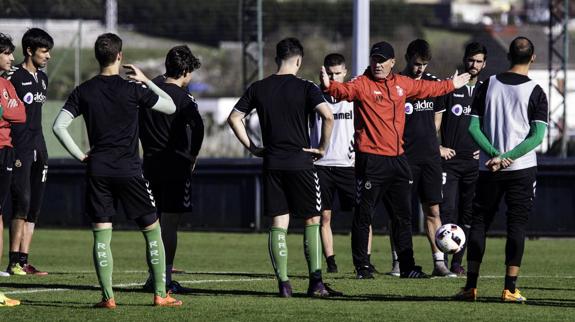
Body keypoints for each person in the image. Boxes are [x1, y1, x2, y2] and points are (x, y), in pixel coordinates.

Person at [320, 41, 470, 279]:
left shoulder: (402, 84)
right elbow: (344, 92)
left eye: (382, 60)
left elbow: (429, 89)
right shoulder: (362, 84)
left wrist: (452, 84)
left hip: (398, 160)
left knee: (403, 216)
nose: (377, 64)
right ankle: (362, 267)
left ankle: (408, 266)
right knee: (364, 214)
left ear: (392, 63)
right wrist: (329, 87)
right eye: (374, 59)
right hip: (371, 160)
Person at [53, 33, 182, 308]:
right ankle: (161, 294)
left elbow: (58, 126)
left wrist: (80, 156)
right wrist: (146, 80)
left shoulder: (83, 91)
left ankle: (108, 298)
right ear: (120, 56)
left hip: (98, 169)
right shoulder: (133, 88)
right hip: (129, 169)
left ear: (97, 57)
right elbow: (171, 107)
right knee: (152, 232)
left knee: (102, 233)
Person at [228, 38, 338, 297]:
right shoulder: (307, 87)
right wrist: (322, 148)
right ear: (298, 60)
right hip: (301, 162)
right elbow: (328, 116)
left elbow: (234, 118)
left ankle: (284, 284)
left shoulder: (259, 87)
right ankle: (316, 283)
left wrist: (253, 147)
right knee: (312, 219)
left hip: (273, 163)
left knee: (279, 223)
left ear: (276, 59)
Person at [454, 37, 548, 302]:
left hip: (488, 169)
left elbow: (473, 128)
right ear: (533, 58)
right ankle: (509, 288)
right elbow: (536, 137)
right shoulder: (537, 92)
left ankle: (470, 286)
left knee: (480, 224)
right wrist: (507, 157)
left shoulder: (487, 85)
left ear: (507, 55)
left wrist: (495, 155)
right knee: (516, 225)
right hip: (521, 169)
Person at [386, 39, 454, 277]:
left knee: (433, 210)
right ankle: (399, 261)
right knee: (401, 212)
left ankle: (439, 262)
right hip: (402, 157)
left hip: (429, 159)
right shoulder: (395, 85)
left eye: (424, 65)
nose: (420, 69)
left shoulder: (433, 84)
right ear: (407, 59)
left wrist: (434, 145)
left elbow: (437, 120)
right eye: (416, 64)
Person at [139, 45, 204, 293]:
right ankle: (164, 279)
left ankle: (152, 277)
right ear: (185, 70)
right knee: (169, 224)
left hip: (150, 164)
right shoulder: (183, 98)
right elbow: (198, 128)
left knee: (152, 223)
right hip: (176, 165)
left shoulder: (148, 94)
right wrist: (193, 155)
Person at [436, 42, 487, 275]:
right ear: (464, 60)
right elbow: (434, 121)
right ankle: (441, 263)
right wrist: (439, 146)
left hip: (474, 163)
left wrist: (485, 148)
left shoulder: (487, 90)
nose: (473, 65)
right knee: (447, 211)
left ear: (484, 64)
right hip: (450, 162)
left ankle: (457, 262)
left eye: (478, 61)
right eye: (470, 60)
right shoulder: (450, 86)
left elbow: (492, 124)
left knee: (468, 212)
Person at [5, 28, 52, 276]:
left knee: (34, 206)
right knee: (20, 203)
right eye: (44, 51)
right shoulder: (14, 77)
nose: (48, 56)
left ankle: (24, 260)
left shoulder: (43, 79)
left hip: (39, 146)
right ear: (30, 50)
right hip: (19, 148)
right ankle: (13, 261)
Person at [310, 53, 354, 273]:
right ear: (323, 72)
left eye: (338, 73)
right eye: (330, 73)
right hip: (321, 164)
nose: (334, 77)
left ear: (345, 72)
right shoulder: (314, 94)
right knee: (324, 215)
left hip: (349, 164)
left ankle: (363, 261)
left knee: (361, 214)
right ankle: (331, 262)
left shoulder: (353, 95)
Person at [0, 33, 26, 279]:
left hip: (6, 151)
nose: (12, 58)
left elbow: (20, 114)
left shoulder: (7, 85)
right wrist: (8, 110)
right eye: (7, 53)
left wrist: (5, 110)